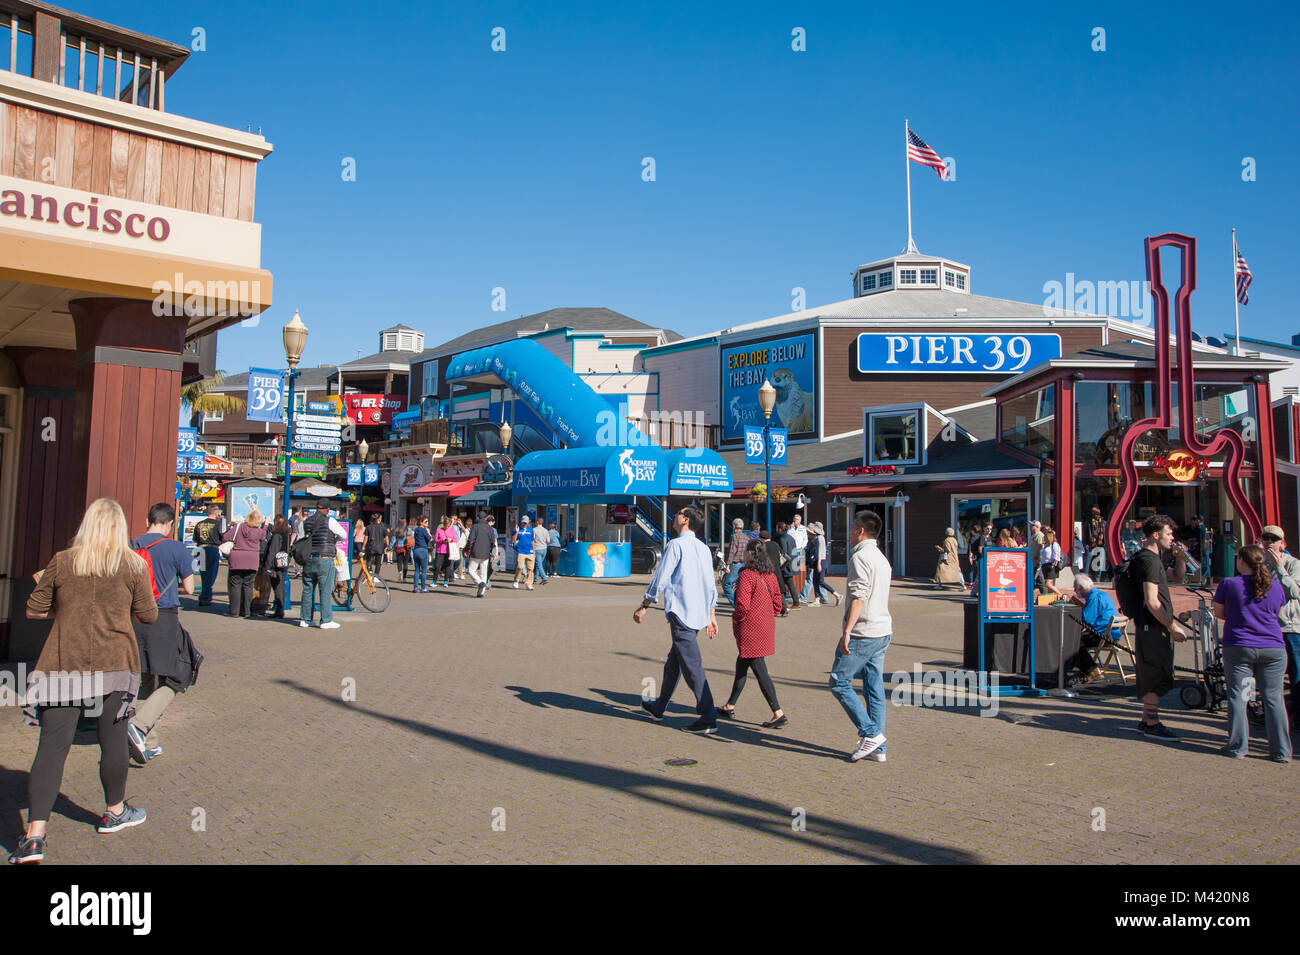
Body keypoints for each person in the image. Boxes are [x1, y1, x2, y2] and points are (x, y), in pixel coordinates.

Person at [7, 499, 158, 864]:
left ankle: (35, 837)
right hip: (115, 665)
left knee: (52, 747)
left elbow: (33, 609)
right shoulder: (133, 564)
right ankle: (115, 812)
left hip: (64, 664)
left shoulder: (63, 561)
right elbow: (148, 616)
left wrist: (65, 605)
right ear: (120, 528)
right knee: (113, 741)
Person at [634, 506, 719, 734]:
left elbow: (660, 577)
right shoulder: (703, 548)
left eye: (679, 513)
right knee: (675, 661)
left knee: (692, 665)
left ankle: (708, 714)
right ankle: (659, 707)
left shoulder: (676, 545)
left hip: (681, 612)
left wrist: (644, 605)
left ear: (687, 520)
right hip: (697, 613)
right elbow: (710, 585)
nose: (675, 516)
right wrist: (711, 614)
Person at [127, 502, 197, 765]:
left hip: (134, 617)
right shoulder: (177, 548)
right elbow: (190, 588)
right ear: (170, 523)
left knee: (144, 675)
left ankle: (147, 739)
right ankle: (140, 724)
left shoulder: (132, 545)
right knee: (178, 675)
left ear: (148, 519)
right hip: (163, 617)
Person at [1214, 544, 1291, 762]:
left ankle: (1238, 747)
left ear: (1241, 562)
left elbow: (1220, 613)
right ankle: (1281, 751)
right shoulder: (1275, 587)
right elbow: (1277, 612)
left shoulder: (1229, 584)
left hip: (1240, 646)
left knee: (1239, 696)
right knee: (1273, 698)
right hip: (1273, 647)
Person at [830, 510, 892, 763]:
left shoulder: (861, 557)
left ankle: (871, 733)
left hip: (863, 632)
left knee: (839, 681)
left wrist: (847, 631)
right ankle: (878, 748)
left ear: (860, 531)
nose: (849, 532)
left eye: (852, 527)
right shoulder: (880, 557)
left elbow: (859, 596)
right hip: (882, 629)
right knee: (874, 688)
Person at [1127, 514, 1191, 741]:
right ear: (1156, 535)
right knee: (1155, 674)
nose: (1172, 537)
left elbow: (1176, 578)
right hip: (1153, 627)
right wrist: (1172, 625)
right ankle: (1153, 724)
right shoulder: (1150, 561)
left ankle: (1146, 720)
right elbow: (1152, 601)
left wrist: (1181, 559)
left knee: (1156, 672)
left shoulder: (1154, 559)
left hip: (1152, 626)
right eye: (1169, 533)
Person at [716, 539, 787, 727]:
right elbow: (778, 604)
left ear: (750, 553)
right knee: (742, 665)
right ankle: (729, 705)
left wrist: (737, 618)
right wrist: (765, 614)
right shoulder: (770, 574)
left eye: (746, 551)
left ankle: (778, 712)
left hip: (750, 628)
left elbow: (742, 604)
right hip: (766, 626)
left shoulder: (747, 575)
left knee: (759, 669)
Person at [1259, 525, 1300, 729]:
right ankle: (1268, 715)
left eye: (1273, 539)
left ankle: (1298, 715)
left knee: (1296, 674)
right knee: (1267, 677)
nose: (1269, 543)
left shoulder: (1293, 564)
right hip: (1267, 628)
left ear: (1283, 543)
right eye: (1265, 538)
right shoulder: (1259, 566)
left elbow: (1294, 592)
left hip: (1290, 628)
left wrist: (1281, 568)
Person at [1067, 573, 1123, 682]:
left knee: (1071, 643)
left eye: (1075, 588)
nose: (1074, 591)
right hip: (1112, 634)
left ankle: (1092, 671)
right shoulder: (1102, 594)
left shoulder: (1093, 597)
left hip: (1103, 635)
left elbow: (1086, 619)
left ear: (1081, 588)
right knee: (1076, 641)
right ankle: (1089, 669)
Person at [300, 500, 345, 628]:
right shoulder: (330, 521)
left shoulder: (307, 521)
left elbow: (302, 536)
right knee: (325, 589)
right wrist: (334, 541)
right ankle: (326, 620)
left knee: (307, 589)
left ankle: (305, 619)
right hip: (324, 557)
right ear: (327, 510)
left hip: (308, 557)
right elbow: (343, 534)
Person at [222, 508, 267, 618]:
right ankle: (247, 611)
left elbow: (225, 537)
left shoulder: (239, 527)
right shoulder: (259, 532)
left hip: (237, 559)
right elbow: (264, 535)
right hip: (252, 560)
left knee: (235, 585)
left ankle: (234, 611)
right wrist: (265, 525)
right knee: (248, 586)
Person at [191, 504, 225, 605]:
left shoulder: (199, 524)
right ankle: (205, 597)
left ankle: (205, 596)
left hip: (200, 548)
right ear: (216, 513)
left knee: (203, 573)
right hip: (212, 549)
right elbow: (222, 537)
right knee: (211, 574)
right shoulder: (218, 524)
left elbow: (195, 538)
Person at [261, 514, 292, 618]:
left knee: (277, 587)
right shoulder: (287, 534)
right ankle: (280, 608)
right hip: (283, 563)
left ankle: (279, 610)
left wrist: (267, 566)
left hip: (275, 564)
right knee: (281, 585)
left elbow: (272, 551)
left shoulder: (276, 536)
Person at [807, 521, 841, 605]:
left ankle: (837, 595)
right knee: (815, 581)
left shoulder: (820, 538)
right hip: (819, 561)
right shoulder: (817, 538)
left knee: (820, 581)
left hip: (820, 561)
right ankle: (817, 599)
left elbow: (820, 552)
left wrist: (818, 563)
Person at [466, 512, 495, 597]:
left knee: (471, 570)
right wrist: (490, 550)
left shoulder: (475, 526)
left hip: (476, 552)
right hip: (486, 553)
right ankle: (482, 592)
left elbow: (470, 539)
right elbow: (493, 542)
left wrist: (467, 549)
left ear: (478, 518)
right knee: (484, 573)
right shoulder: (490, 528)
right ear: (485, 518)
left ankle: (479, 583)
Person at [775, 521, 802, 610]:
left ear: (780, 529)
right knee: (790, 583)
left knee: (786, 583)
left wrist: (780, 565)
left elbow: (784, 553)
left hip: (785, 565)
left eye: (777, 528)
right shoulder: (791, 537)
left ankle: (794, 603)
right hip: (792, 563)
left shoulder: (782, 538)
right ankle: (795, 602)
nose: (775, 530)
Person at [722, 518, 749, 605]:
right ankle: (743, 604)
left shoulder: (734, 537)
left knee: (726, 585)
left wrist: (728, 565)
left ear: (734, 526)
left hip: (735, 564)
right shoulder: (746, 537)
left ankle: (737, 605)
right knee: (740, 586)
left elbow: (731, 552)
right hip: (744, 564)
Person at [512, 515, 535, 590]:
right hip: (521, 551)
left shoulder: (531, 530)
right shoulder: (517, 529)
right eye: (523, 522)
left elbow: (532, 541)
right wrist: (516, 532)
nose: (524, 524)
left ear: (528, 522)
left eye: (525, 523)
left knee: (530, 569)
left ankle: (529, 583)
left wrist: (534, 551)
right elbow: (513, 540)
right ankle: (516, 581)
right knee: (520, 567)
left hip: (530, 551)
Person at [363, 513, 388, 579]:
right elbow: (387, 539)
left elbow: (365, 538)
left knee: (369, 561)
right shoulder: (383, 527)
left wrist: (363, 547)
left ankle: (370, 573)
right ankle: (376, 576)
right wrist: (385, 546)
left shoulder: (368, 527)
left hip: (370, 547)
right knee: (378, 563)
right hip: (380, 547)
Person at [410, 516, 432, 592]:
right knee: (424, 571)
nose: (427, 523)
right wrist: (428, 532)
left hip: (416, 550)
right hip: (423, 550)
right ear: (421, 522)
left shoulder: (416, 529)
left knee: (416, 570)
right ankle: (423, 588)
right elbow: (430, 538)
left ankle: (415, 587)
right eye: (426, 521)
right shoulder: (424, 530)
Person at [433, 515, 455, 588]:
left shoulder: (452, 530)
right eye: (446, 526)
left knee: (447, 566)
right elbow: (436, 540)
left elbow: (455, 539)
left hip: (449, 551)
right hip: (440, 550)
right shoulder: (439, 530)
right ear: (444, 524)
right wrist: (441, 540)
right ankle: (434, 581)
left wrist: (450, 540)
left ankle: (445, 581)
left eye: (448, 526)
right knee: (437, 566)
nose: (447, 527)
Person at [1040, 528, 1062, 593]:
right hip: (1044, 565)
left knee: (1047, 584)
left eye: (1045, 537)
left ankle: (1061, 595)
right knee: (1049, 585)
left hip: (1051, 565)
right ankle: (1051, 597)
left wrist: (1054, 562)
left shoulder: (1054, 544)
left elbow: (1056, 554)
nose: (1044, 539)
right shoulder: (1046, 545)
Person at [532, 519, 550, 584]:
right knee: (538, 564)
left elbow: (532, 539)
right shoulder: (546, 530)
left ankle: (544, 578)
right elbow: (548, 541)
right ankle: (535, 579)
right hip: (544, 549)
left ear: (537, 522)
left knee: (539, 564)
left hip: (537, 548)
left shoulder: (534, 530)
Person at [393, 518, 410, 582]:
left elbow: (393, 540)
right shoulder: (408, 530)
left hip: (398, 548)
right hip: (406, 548)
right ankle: (404, 578)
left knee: (399, 562)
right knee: (405, 563)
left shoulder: (396, 530)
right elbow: (412, 537)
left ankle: (400, 572)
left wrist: (389, 547)